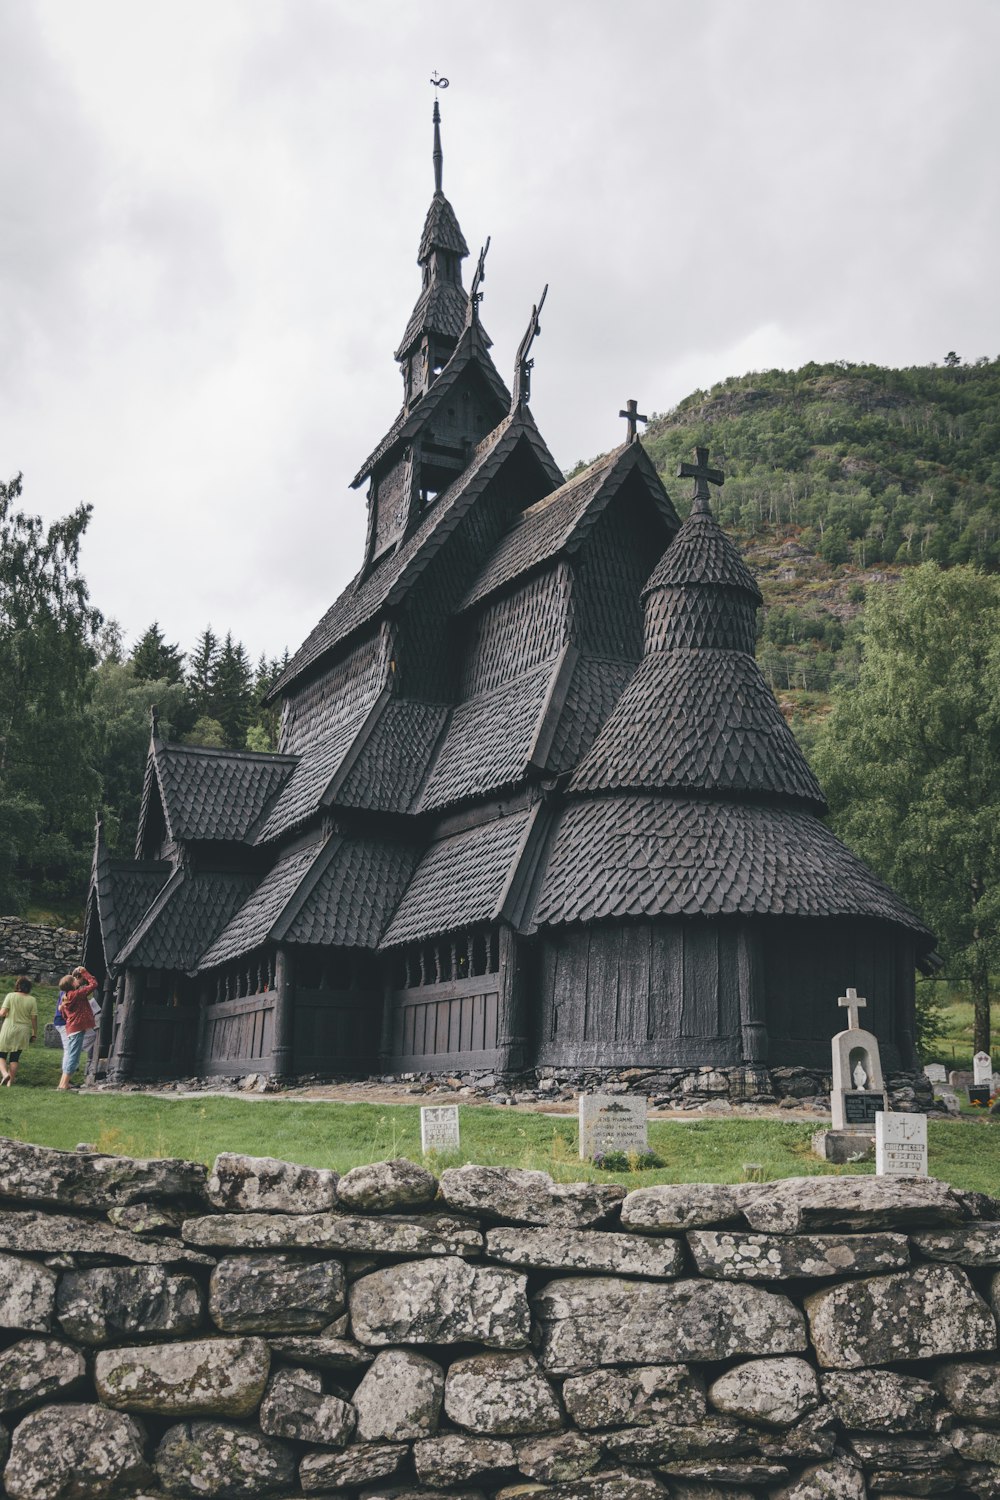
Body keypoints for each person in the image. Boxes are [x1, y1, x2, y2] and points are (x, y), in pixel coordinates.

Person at [57, 966, 98, 1091]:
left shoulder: (66, 997)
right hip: (77, 1029)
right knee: (73, 1057)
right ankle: (64, 1084)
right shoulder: (77, 994)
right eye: (74, 980)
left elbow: (64, 1015)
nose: (77, 981)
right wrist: (84, 971)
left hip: (71, 1028)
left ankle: (62, 1083)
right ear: (71, 984)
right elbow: (94, 984)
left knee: (70, 1055)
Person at [0, 977, 39, 1085]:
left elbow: (2, 1013)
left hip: (9, 1028)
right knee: (15, 1057)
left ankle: (4, 1074)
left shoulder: (10, 996)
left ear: (18, 986)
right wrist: (34, 1033)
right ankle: (10, 1083)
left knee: (1, 1054)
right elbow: (34, 1018)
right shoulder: (32, 1000)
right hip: (23, 1031)